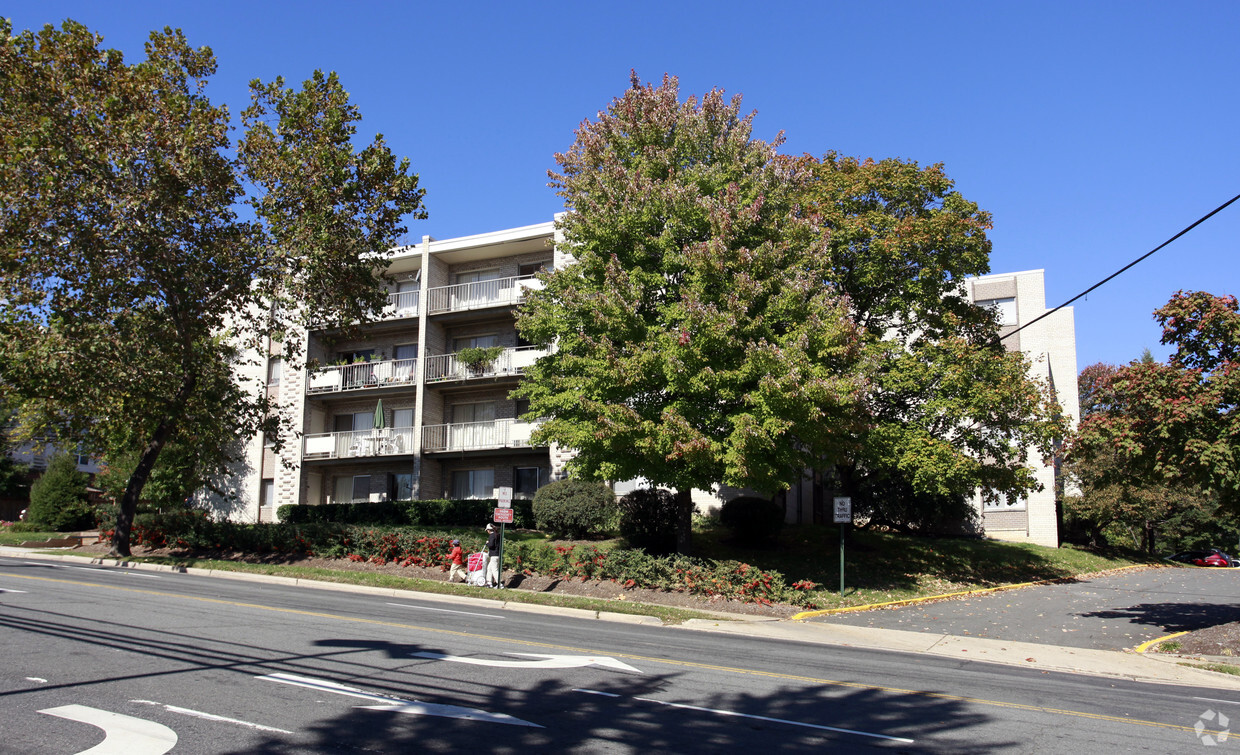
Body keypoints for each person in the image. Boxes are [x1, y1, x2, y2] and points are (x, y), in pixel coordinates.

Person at [485, 523, 502, 588]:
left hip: (494, 555)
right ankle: (489, 582)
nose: (487, 532)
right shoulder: (498, 535)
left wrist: (487, 543)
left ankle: (499, 584)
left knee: (494, 569)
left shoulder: (492, 536)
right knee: (489, 568)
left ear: (489, 530)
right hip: (497, 554)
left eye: (487, 530)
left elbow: (491, 545)